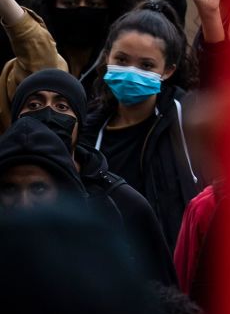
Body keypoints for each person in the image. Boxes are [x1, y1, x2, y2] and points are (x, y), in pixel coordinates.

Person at [11, 67, 171, 280]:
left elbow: (163, 295)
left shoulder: (120, 202)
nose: (48, 114)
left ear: (80, 122)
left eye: (61, 106)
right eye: (34, 105)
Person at [81, 1, 203, 249]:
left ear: (167, 71)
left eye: (146, 65)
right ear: (107, 58)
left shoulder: (185, 119)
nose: (131, 72)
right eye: (122, 60)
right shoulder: (87, 130)